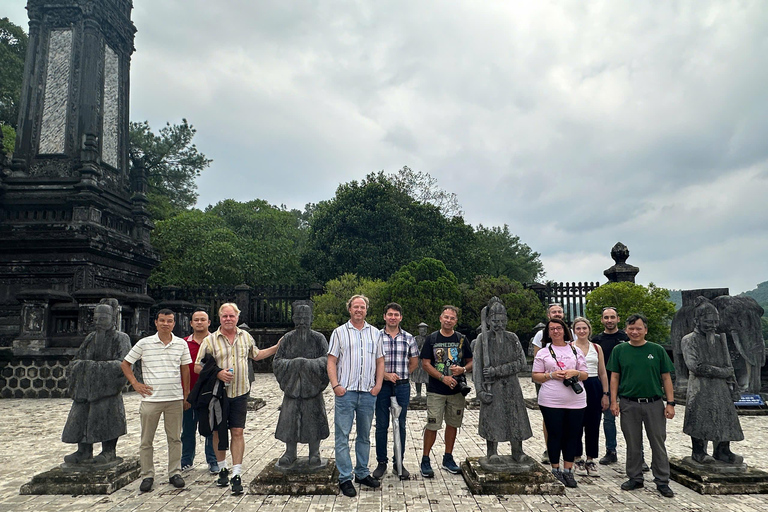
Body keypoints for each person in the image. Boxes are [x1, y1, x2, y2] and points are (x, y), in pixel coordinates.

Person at [194, 303, 280, 495]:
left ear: (237, 318)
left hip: (240, 392)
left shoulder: (245, 337)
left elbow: (256, 356)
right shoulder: (210, 340)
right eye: (225, 316)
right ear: (219, 318)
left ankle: (237, 473)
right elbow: (197, 367)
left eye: (231, 316)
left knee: (238, 431)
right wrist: (217, 373)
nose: (228, 319)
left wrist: (277, 347)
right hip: (218, 394)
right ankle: (222, 468)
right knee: (218, 432)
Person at [121, 309, 191, 493]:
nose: (165, 324)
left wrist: (186, 394)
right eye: (162, 320)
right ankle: (147, 475)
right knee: (146, 440)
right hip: (151, 399)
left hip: (174, 398)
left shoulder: (181, 344)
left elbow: (185, 369)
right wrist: (135, 383)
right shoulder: (144, 344)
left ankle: (175, 472)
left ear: (174, 323)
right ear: (156, 322)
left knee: (175, 438)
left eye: (169, 321)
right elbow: (126, 363)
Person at [607, 314, 676, 498]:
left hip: (654, 403)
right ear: (626, 330)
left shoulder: (657, 350)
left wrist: (670, 403)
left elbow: (666, 378)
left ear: (645, 329)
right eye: (631, 328)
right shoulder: (619, 350)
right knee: (633, 442)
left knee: (658, 442)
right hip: (629, 403)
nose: (635, 332)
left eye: (639, 328)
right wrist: (614, 402)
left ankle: (662, 480)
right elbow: (614, 377)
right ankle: (635, 477)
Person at [327, 295, 384, 498]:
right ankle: (344, 477)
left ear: (366, 310)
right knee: (342, 436)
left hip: (368, 393)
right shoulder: (339, 333)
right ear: (349, 309)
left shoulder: (376, 333)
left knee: (364, 435)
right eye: (355, 307)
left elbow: (380, 361)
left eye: (362, 307)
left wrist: (378, 385)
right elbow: (331, 360)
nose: (359, 310)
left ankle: (361, 473)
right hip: (346, 392)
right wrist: (335, 385)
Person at [61, 300, 131, 465]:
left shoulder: (121, 338)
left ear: (112, 318)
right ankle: (84, 450)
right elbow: (77, 359)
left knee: (108, 418)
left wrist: (94, 368)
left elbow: (124, 363)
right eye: (96, 318)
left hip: (108, 388)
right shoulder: (91, 337)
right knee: (80, 417)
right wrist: (82, 367)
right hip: (87, 388)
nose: (99, 321)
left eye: (103, 318)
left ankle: (109, 451)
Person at [681, 297, 744, 464]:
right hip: (699, 387)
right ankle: (699, 452)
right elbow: (694, 365)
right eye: (708, 321)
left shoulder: (719, 340)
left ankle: (723, 450)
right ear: (697, 320)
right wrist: (721, 372)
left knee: (725, 417)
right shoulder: (689, 340)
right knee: (700, 418)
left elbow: (727, 364)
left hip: (720, 387)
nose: (713, 325)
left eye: (715, 322)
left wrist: (731, 382)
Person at [473, 297, 532, 464]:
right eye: (495, 320)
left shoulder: (512, 338)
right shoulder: (482, 340)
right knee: (492, 419)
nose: (498, 324)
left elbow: (521, 363)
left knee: (515, 417)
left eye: (501, 320)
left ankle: (517, 451)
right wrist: (479, 391)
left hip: (512, 386)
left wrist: (497, 371)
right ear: (489, 320)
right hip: (491, 387)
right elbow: (477, 367)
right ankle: (492, 452)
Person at [273, 300, 330, 468]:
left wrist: (308, 364)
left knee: (313, 419)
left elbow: (327, 360)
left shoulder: (319, 338)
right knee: (289, 419)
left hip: (312, 388)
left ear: (312, 318)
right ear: (293, 318)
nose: (302, 322)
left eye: (306, 318)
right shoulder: (287, 339)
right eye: (299, 318)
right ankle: (290, 453)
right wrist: (294, 364)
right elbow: (277, 361)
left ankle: (314, 452)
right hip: (292, 388)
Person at [532, 317, 588, 488]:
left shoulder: (575, 350)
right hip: (551, 400)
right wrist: (551, 375)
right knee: (555, 434)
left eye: (558, 328)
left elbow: (585, 374)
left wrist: (574, 372)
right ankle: (555, 468)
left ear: (565, 330)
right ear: (548, 333)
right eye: (552, 329)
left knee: (572, 435)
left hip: (575, 400)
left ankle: (568, 470)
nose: (556, 331)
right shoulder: (543, 352)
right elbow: (535, 375)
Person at [420, 305, 473, 478]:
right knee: (433, 424)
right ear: (440, 318)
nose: (448, 320)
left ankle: (448, 457)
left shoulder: (462, 339)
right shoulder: (432, 339)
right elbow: (426, 363)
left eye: (452, 318)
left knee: (453, 424)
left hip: (456, 390)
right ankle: (426, 458)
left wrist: (463, 370)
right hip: (436, 389)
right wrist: (442, 378)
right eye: (446, 317)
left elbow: (471, 361)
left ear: (456, 321)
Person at [373, 302, 419, 480]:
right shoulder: (376, 336)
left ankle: (398, 462)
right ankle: (381, 463)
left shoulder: (408, 338)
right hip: (382, 385)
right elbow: (372, 361)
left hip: (402, 386)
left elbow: (414, 360)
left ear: (401, 317)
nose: (393, 317)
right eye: (390, 314)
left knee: (400, 424)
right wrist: (384, 375)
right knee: (382, 425)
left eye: (396, 315)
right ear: (384, 316)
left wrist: (403, 374)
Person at [531, 302, 575, 462]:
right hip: (547, 380)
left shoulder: (572, 334)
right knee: (549, 416)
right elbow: (537, 359)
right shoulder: (540, 335)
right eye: (553, 312)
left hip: (568, 380)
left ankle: (570, 450)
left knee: (570, 415)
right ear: (548, 315)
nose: (557, 314)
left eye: (559, 311)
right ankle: (550, 448)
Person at [180, 310, 218, 474]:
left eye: (203, 320)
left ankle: (213, 460)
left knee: (211, 428)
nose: (199, 322)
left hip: (211, 393)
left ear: (209, 322)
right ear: (191, 323)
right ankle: (186, 460)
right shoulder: (183, 344)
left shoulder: (216, 342)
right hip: (189, 392)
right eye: (196, 320)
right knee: (188, 429)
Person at [570, 317, 609, 477]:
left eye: (584, 328)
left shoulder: (596, 348)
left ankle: (591, 458)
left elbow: (602, 372)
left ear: (589, 330)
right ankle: (577, 458)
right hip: (577, 385)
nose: (581, 331)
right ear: (574, 330)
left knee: (593, 424)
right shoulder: (569, 347)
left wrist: (605, 394)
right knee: (576, 423)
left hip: (594, 385)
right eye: (578, 328)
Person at [591, 307, 629, 466]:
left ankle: (637, 454)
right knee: (608, 419)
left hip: (626, 384)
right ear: (602, 320)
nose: (609, 320)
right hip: (605, 384)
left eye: (612, 317)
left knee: (630, 421)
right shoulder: (597, 340)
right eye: (606, 317)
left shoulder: (627, 337)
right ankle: (611, 451)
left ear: (618, 319)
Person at [411, 322, 430, 397]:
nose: (423, 332)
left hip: (427, 361)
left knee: (427, 378)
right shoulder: (415, 339)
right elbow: (413, 349)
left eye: (425, 330)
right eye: (422, 330)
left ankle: (428, 393)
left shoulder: (429, 339)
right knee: (417, 378)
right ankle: (418, 393)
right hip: (418, 361)